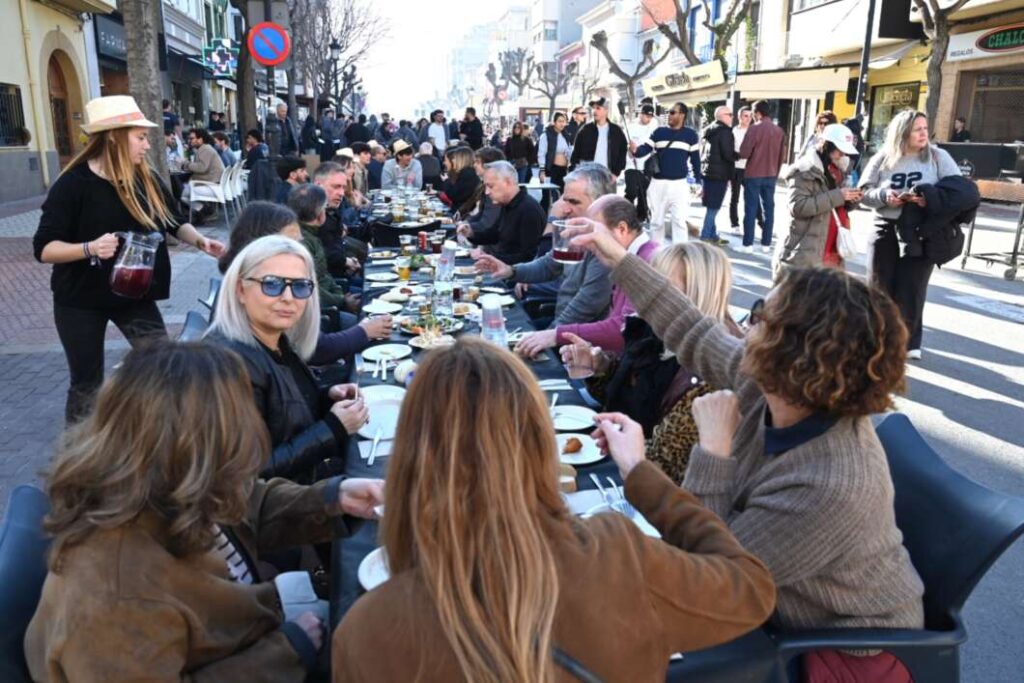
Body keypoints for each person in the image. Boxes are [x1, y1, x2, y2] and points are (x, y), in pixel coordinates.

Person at [567, 220, 925, 683]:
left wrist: (710, 454)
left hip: (838, 652)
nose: (745, 325)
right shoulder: (779, 388)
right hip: (770, 611)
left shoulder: (828, 482)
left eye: (760, 318)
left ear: (789, 354)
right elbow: (690, 329)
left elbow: (711, 580)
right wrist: (619, 258)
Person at [332, 337, 776, 683]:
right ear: (539, 443)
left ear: (411, 455)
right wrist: (642, 476)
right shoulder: (617, 556)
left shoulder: (365, 632)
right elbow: (750, 589)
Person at [25, 341, 385, 682]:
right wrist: (292, 648)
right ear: (193, 445)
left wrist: (334, 497)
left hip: (249, 628)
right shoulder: (115, 595)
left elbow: (248, 503)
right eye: (239, 420)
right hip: (260, 651)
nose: (250, 431)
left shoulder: (164, 485)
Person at [33, 95, 224, 423]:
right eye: (140, 136)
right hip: (79, 300)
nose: (147, 145)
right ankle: (79, 458)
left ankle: (160, 435)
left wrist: (200, 240)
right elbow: (44, 248)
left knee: (163, 367)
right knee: (86, 384)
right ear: (113, 137)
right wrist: (89, 248)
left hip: (133, 294)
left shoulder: (145, 178)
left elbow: (173, 221)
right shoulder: (73, 184)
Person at [559, 242, 739, 484]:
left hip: (650, 489)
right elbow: (630, 398)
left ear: (698, 293)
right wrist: (598, 366)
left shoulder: (711, 369)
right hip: (619, 462)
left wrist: (617, 439)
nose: (650, 299)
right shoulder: (654, 333)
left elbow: (668, 465)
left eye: (664, 291)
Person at [205, 235, 365, 481]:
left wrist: (325, 397)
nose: (288, 297)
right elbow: (247, 475)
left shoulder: (275, 339)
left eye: (300, 286)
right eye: (272, 284)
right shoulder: (227, 365)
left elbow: (279, 413)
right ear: (240, 289)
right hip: (286, 509)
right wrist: (332, 428)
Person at [217, 202, 389, 366]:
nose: (301, 249)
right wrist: (363, 331)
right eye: (291, 244)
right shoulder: (240, 355)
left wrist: (325, 395)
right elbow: (314, 348)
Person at [859, 109, 963, 361]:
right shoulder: (883, 158)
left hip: (922, 232)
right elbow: (863, 192)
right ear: (902, 132)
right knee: (880, 288)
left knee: (912, 288)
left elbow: (958, 193)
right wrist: (885, 196)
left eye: (925, 128)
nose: (923, 133)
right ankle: (878, 341)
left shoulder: (939, 157)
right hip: (885, 227)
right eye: (917, 129)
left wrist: (929, 199)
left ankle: (908, 342)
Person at [473, 163, 615, 329]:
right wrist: (511, 271)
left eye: (574, 202)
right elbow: (550, 265)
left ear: (600, 204)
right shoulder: (577, 231)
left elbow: (585, 307)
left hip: (581, 340)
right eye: (564, 200)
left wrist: (548, 335)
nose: (564, 209)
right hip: (561, 327)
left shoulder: (606, 247)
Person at [513, 195, 657, 358]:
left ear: (622, 229)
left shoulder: (649, 260)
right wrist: (600, 364)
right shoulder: (628, 258)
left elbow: (624, 329)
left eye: (593, 233)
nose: (587, 244)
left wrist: (555, 334)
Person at [775, 124, 863, 279]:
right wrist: (839, 196)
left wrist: (851, 199)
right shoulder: (804, 170)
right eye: (839, 149)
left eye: (845, 151)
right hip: (807, 252)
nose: (842, 154)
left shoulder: (839, 169)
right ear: (827, 145)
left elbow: (836, 205)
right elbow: (798, 206)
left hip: (833, 250)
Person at [630, 101, 702, 245]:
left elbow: (695, 160)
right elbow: (644, 150)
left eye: (672, 112)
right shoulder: (659, 132)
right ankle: (655, 254)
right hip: (658, 183)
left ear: (682, 115)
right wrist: (634, 150)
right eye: (668, 112)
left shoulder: (690, 135)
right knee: (656, 222)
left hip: (679, 185)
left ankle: (680, 254)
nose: (669, 115)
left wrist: (698, 181)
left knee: (679, 221)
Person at [457, 160, 545, 265]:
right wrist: (471, 233)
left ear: (508, 182)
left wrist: (490, 258)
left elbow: (529, 258)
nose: (486, 192)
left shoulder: (529, 210)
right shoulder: (508, 203)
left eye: (490, 186)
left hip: (514, 276)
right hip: (502, 268)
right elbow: (495, 234)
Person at [738, 100, 786, 254]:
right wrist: (775, 173)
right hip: (771, 174)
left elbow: (744, 153)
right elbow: (781, 156)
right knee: (769, 209)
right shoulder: (779, 131)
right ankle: (766, 244)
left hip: (753, 173)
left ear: (757, 113)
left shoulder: (754, 129)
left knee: (750, 209)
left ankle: (748, 244)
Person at [700, 105, 737, 244]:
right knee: (713, 207)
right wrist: (737, 156)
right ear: (722, 116)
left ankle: (712, 234)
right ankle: (705, 235)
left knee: (711, 204)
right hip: (719, 173)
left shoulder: (710, 130)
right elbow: (727, 154)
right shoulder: (725, 131)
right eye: (730, 114)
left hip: (708, 173)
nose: (732, 117)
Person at [570, 96, 627, 181]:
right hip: (588, 178)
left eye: (598, 108)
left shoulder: (616, 131)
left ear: (606, 110)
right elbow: (576, 154)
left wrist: (616, 173)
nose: (594, 111)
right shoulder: (585, 130)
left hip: (608, 177)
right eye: (593, 108)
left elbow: (622, 152)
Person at [730, 106, 763, 235]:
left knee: (754, 197)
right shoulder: (734, 131)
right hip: (737, 168)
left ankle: (761, 222)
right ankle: (734, 223)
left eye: (750, 116)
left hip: (751, 169)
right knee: (735, 197)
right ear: (739, 117)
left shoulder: (755, 131)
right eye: (745, 116)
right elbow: (730, 149)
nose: (748, 118)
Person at [624, 103, 660, 209]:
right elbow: (625, 144)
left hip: (647, 164)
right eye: (646, 116)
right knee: (631, 192)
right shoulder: (631, 127)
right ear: (640, 114)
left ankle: (642, 215)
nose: (648, 119)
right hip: (631, 164)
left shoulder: (654, 125)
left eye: (650, 116)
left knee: (643, 192)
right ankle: (625, 211)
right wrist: (629, 148)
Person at [537, 112, 571, 208]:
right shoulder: (546, 135)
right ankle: (544, 218)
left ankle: (558, 218)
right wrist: (542, 171)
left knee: (562, 196)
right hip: (551, 170)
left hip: (563, 170)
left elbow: (568, 151)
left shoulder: (565, 135)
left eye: (564, 121)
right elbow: (541, 153)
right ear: (554, 122)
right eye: (560, 121)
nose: (562, 124)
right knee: (548, 197)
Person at [439, 145, 479, 214]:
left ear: (461, 159)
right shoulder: (467, 173)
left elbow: (454, 195)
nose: (453, 160)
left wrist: (446, 181)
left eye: (455, 158)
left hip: (461, 213)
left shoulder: (467, 174)